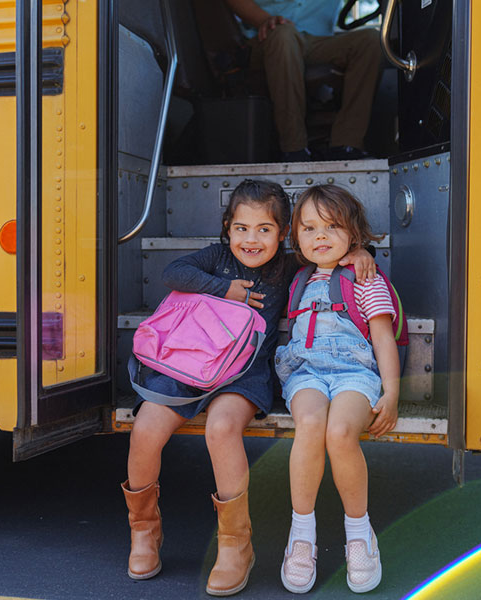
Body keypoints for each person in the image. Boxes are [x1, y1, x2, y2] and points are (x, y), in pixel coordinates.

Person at [121, 179, 376, 596]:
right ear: (227, 228)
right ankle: (144, 531)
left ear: (283, 234)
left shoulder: (289, 266)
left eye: (264, 230)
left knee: (221, 429)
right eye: (242, 228)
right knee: (145, 429)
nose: (252, 239)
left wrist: (360, 253)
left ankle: (235, 544)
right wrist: (224, 288)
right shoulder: (217, 257)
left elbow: (329, 252)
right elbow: (173, 272)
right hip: (190, 362)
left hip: (244, 371)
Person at [274, 184, 399, 594]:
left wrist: (392, 393)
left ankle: (359, 534)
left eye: (332, 226)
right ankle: (302, 536)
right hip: (307, 371)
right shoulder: (297, 280)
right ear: (296, 237)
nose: (320, 236)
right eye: (309, 228)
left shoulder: (365, 278)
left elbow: (382, 339)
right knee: (310, 424)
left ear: (353, 235)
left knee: (341, 434)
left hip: (353, 374)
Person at [224, 0, 383, 161]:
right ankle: (294, 150)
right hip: (266, 36)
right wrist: (263, 20)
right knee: (283, 35)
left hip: (317, 40)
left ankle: (347, 146)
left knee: (372, 40)